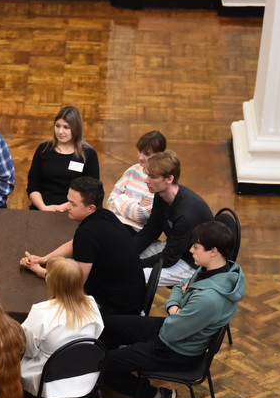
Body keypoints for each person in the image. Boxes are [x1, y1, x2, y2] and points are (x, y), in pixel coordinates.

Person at [102, 221, 245, 398]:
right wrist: (175, 309)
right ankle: (117, 368)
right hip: (175, 330)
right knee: (107, 324)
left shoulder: (209, 299)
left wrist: (174, 310)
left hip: (175, 349)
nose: (190, 250)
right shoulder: (217, 270)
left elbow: (170, 332)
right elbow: (180, 286)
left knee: (102, 364)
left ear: (213, 251)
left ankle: (158, 395)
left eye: (196, 247)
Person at [19, 176, 145, 316]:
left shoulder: (87, 233)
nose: (67, 207)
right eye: (68, 201)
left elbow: (75, 282)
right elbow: (74, 244)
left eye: (73, 204)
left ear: (90, 208)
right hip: (132, 296)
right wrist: (43, 259)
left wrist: (38, 270)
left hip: (117, 310)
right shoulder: (106, 215)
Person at [19, 257, 105, 398]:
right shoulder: (92, 304)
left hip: (47, 379)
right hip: (85, 375)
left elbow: (28, 350)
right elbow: (95, 338)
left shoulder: (41, 312)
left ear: (51, 282)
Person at [134, 150, 214, 287]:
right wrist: (127, 252)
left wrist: (136, 265)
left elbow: (169, 258)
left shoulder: (186, 214)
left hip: (194, 262)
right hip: (177, 249)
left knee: (135, 275)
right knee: (125, 257)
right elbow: (150, 231)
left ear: (169, 179)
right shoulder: (161, 195)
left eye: (152, 177)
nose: (146, 180)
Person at [26, 106, 100, 211]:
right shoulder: (43, 149)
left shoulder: (88, 154)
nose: (60, 131)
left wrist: (61, 208)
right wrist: (43, 208)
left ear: (76, 129)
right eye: (57, 126)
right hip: (41, 210)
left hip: (73, 212)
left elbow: (91, 192)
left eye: (66, 127)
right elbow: (33, 186)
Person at [107, 130, 166, 232]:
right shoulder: (132, 170)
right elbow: (110, 202)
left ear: (159, 155)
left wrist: (121, 198)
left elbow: (142, 216)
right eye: (140, 151)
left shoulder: (159, 181)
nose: (140, 157)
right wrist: (137, 204)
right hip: (113, 222)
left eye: (147, 154)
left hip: (134, 230)